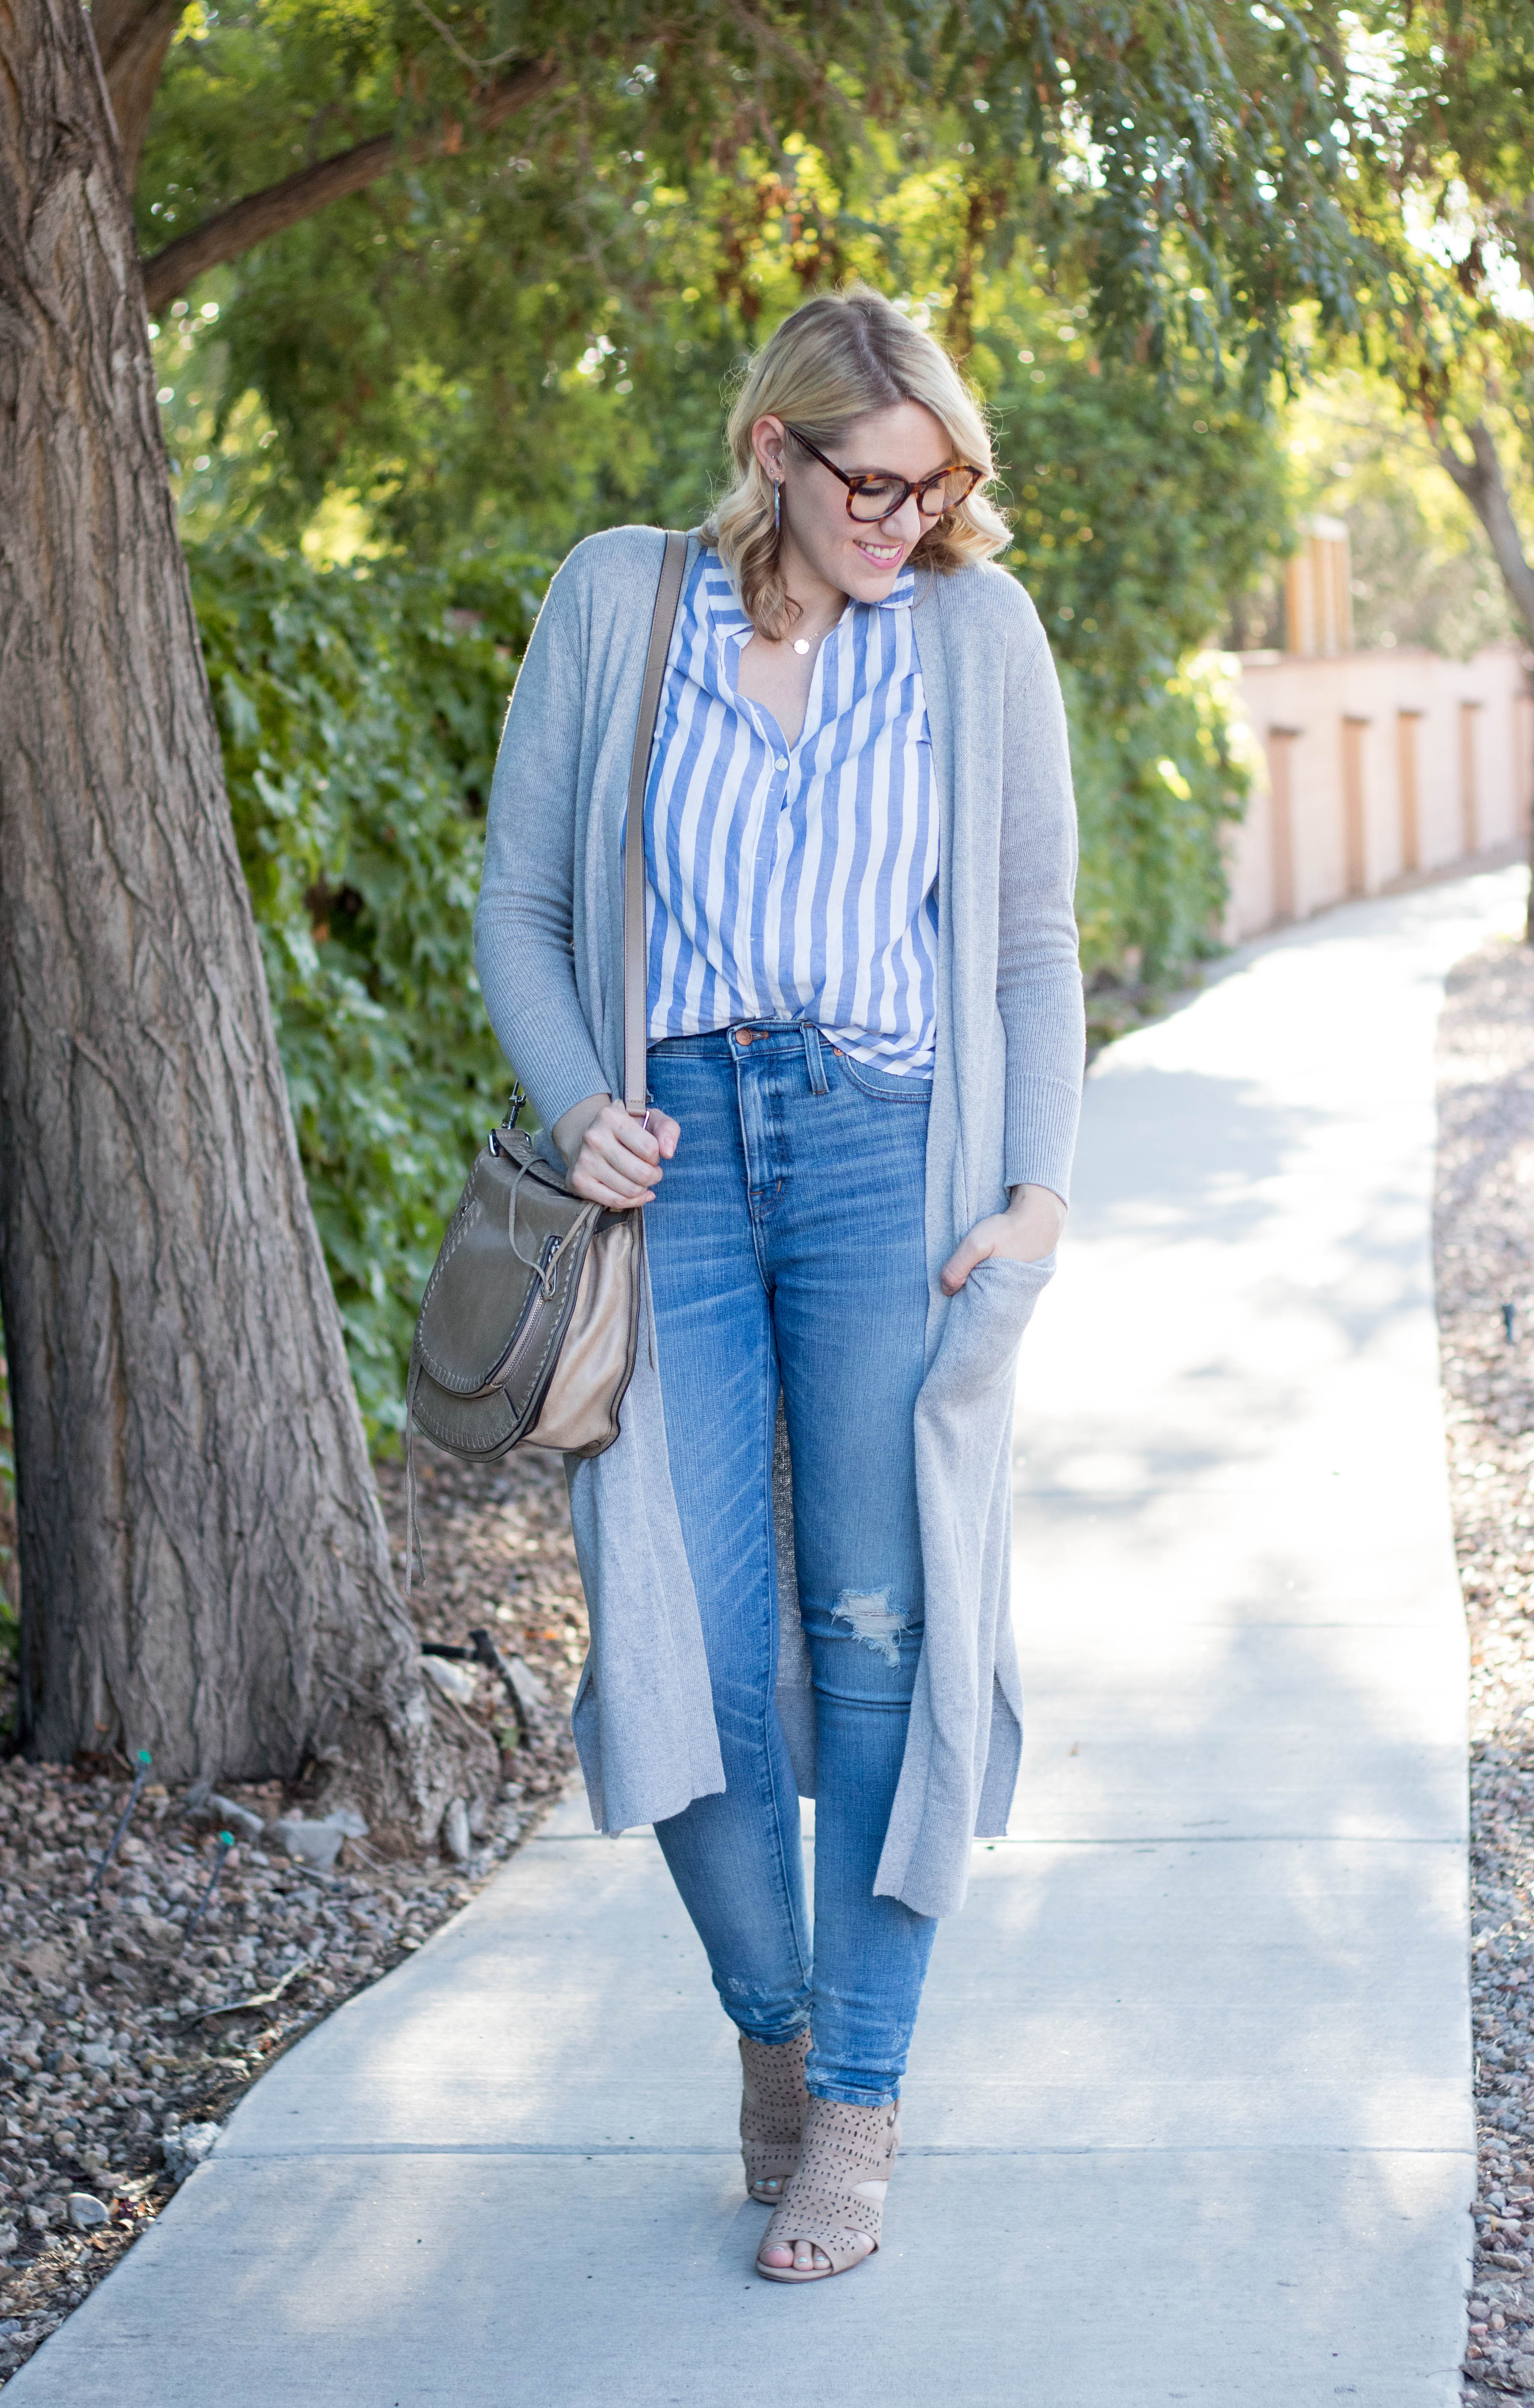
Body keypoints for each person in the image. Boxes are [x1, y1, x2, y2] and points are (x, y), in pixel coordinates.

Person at [474, 284, 1083, 2283]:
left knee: (883, 1624)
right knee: (686, 1641)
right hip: (675, 1183)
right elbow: (530, 909)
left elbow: (1026, 942)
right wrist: (578, 1110)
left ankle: (862, 2099)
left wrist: (1037, 1188)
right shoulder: (617, 603)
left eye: (939, 490)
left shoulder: (977, 640)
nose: (908, 524)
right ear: (774, 454)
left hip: (880, 1167)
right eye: (876, 487)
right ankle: (771, 2020)